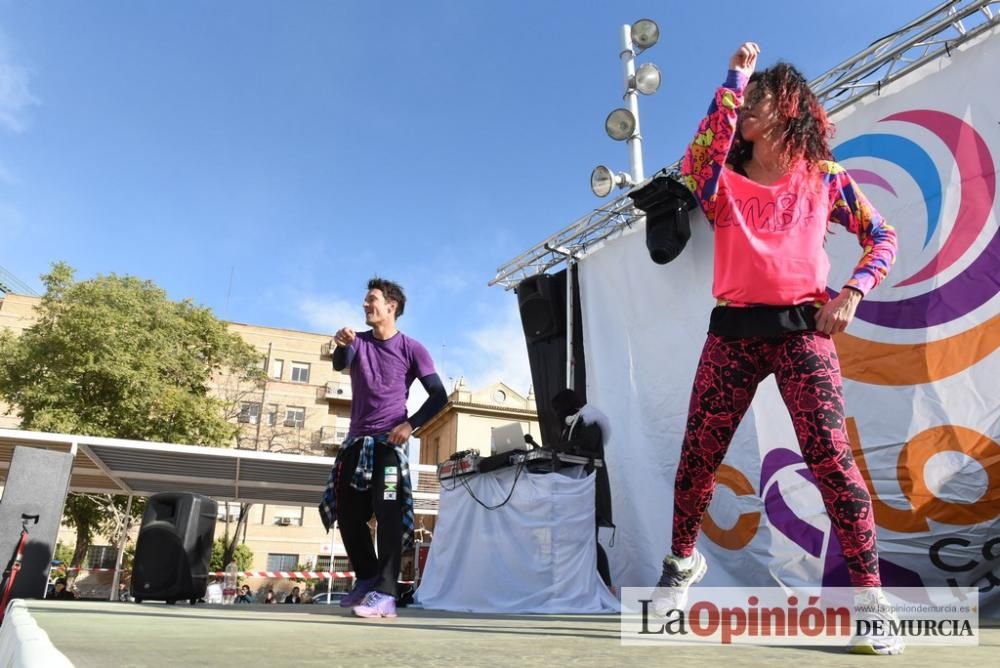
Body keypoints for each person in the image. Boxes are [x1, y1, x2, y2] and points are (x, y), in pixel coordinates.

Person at [655, 42, 901, 656]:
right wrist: (734, 77)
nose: (743, 114)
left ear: (788, 109)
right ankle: (681, 565)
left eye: (756, 102)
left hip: (802, 334)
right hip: (734, 333)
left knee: (831, 462)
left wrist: (852, 292)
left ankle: (871, 601)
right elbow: (702, 150)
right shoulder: (719, 179)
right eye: (740, 104)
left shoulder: (825, 177)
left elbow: (882, 236)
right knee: (695, 464)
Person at [318, 277, 447, 619]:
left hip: (389, 445)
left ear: (391, 307)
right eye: (364, 300)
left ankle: (387, 593)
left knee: (389, 511)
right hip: (355, 445)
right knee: (346, 513)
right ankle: (369, 577)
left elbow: (439, 395)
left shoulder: (412, 348)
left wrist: (410, 424)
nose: (364, 304)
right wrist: (341, 343)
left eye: (371, 299)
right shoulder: (357, 342)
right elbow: (338, 361)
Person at [551, 388, 614, 588]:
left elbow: (585, 447)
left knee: (590, 541)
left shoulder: (589, 419)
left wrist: (561, 449)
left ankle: (607, 586)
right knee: (581, 541)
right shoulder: (570, 423)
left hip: (590, 490)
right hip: (576, 490)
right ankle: (583, 585)